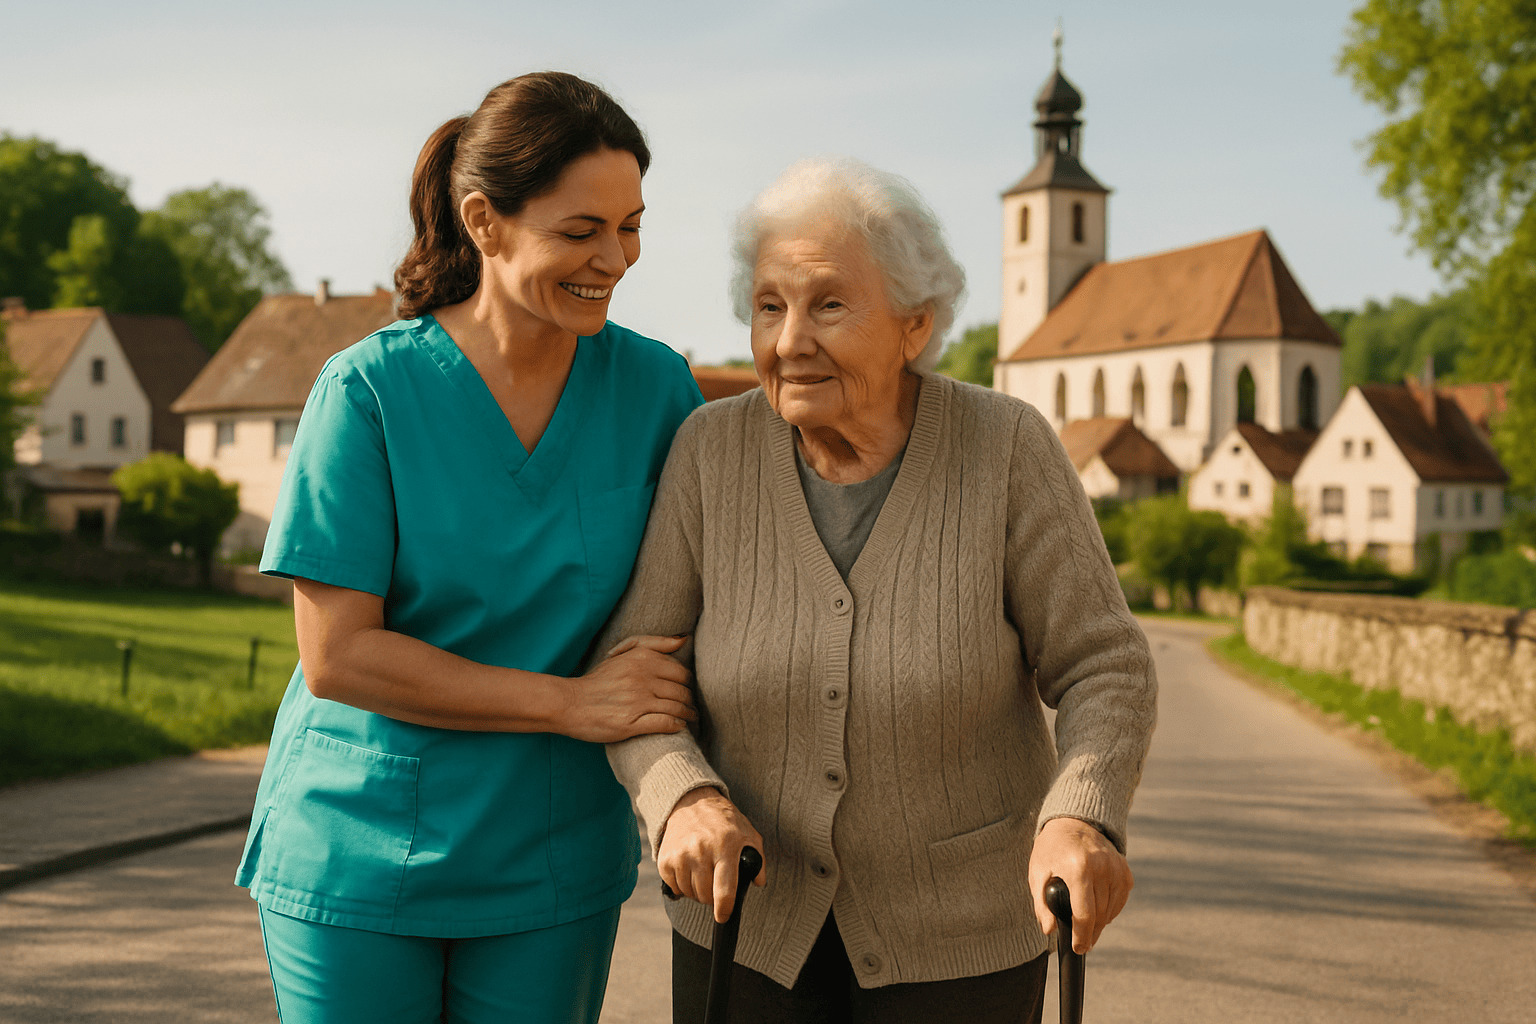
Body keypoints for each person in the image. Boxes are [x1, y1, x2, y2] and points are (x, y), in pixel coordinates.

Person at [595, 157, 1158, 1024]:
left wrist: (1081, 815)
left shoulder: (1005, 446)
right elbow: (635, 679)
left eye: (827, 305)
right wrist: (683, 798)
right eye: (769, 307)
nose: (789, 341)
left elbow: (1104, 666)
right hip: (743, 926)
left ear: (913, 325)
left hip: (962, 940)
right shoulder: (711, 453)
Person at [235, 72, 702, 1024]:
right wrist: (569, 704)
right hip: (357, 848)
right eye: (581, 231)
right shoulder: (365, 392)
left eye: (632, 226)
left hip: (551, 854)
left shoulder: (657, 391)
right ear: (485, 221)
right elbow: (338, 655)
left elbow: (718, 588)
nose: (615, 257)